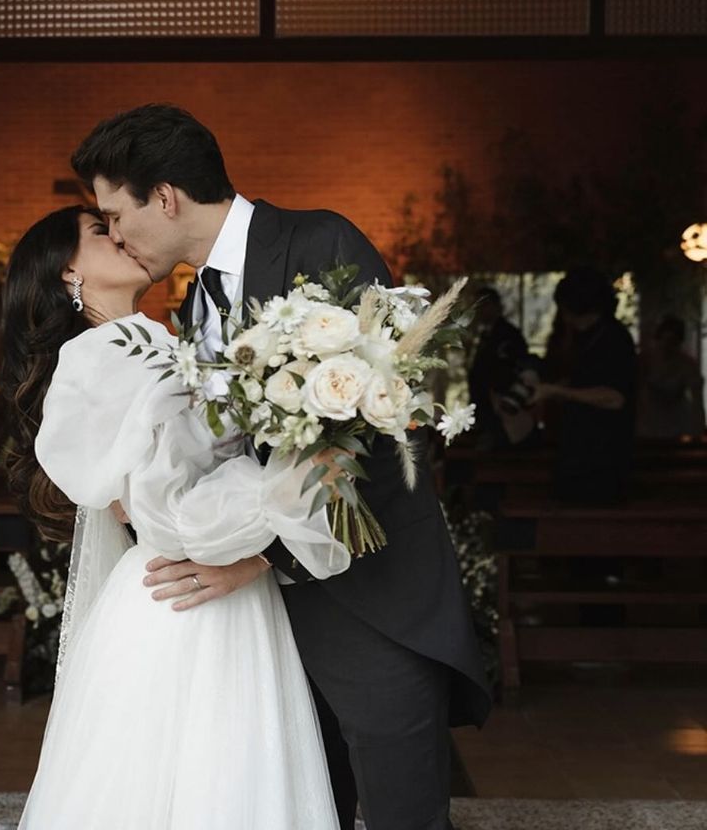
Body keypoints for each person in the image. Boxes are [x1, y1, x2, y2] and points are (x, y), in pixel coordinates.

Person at [70, 104, 491, 830]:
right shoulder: (196, 301)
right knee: (304, 803)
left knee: (403, 810)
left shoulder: (318, 241)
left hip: (370, 596)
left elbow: (375, 432)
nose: (114, 234)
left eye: (114, 213)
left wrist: (260, 559)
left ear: (164, 197)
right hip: (262, 628)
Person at [5, 206, 350, 829]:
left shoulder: (173, 337)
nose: (121, 235)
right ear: (67, 274)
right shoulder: (96, 358)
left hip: (222, 585)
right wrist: (293, 484)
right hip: (181, 590)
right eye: (99, 231)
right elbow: (160, 514)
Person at [536, 267, 637, 505]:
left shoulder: (614, 339)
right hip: (575, 451)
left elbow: (615, 397)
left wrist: (558, 391)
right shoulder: (584, 338)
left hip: (603, 457)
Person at [466, 286, 532, 448]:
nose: (480, 311)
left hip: (501, 407)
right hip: (484, 406)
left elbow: (516, 368)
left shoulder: (508, 335)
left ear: (496, 306)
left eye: (484, 305)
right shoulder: (484, 335)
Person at [637, 315, 705, 441]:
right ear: (658, 339)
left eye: (672, 342)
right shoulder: (645, 360)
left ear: (679, 342)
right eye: (664, 341)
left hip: (676, 423)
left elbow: (697, 400)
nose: (667, 347)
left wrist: (699, 429)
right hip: (648, 422)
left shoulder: (687, 364)